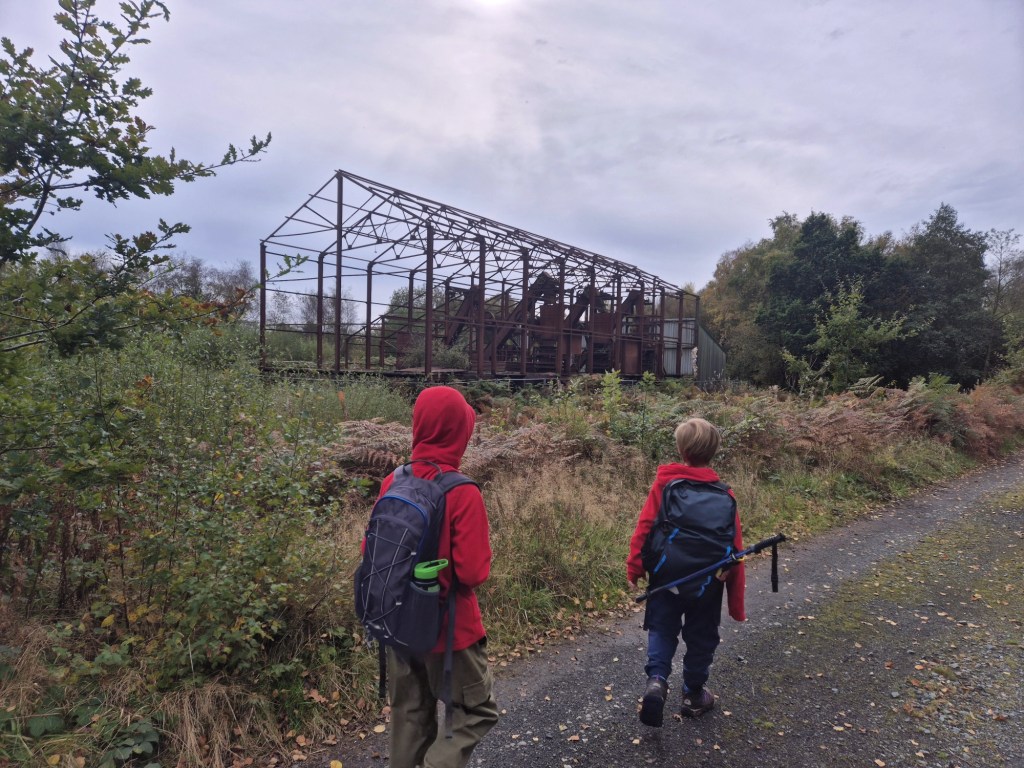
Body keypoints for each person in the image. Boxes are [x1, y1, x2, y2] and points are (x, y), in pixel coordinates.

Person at [378, 386, 499, 768]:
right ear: (460, 431)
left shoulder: (393, 481)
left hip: (397, 625)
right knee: (477, 711)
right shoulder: (462, 492)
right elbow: (473, 572)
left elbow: (373, 553)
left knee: (410, 718)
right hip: (450, 631)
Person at [626, 417, 746, 726]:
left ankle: (656, 681)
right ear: (714, 452)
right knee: (702, 635)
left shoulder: (666, 483)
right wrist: (735, 599)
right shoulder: (725, 494)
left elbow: (646, 526)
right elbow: (734, 547)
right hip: (709, 581)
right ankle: (694, 693)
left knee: (663, 629)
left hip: (667, 576)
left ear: (681, 449)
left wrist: (635, 566)